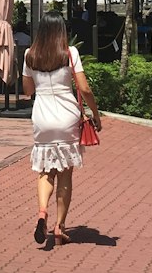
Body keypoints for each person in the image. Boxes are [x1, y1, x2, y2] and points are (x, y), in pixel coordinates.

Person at [22, 13, 101, 246]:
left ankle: (42, 213)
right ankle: (59, 226)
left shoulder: (29, 55)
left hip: (42, 117)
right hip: (67, 116)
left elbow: (27, 91)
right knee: (65, 173)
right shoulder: (70, 53)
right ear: (62, 31)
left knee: (45, 171)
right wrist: (95, 114)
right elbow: (84, 88)